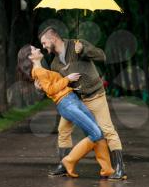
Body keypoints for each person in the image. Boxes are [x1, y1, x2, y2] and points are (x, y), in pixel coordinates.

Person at [38, 26, 127, 180]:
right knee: (63, 130)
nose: (43, 46)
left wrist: (84, 50)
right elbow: (55, 87)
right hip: (75, 102)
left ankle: (120, 168)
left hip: (95, 96)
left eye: (44, 43)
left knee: (107, 130)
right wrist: (40, 88)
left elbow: (102, 56)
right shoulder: (54, 64)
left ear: (53, 39)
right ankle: (64, 166)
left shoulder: (77, 45)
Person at [17, 44, 115, 178]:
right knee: (96, 133)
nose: (39, 49)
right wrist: (67, 79)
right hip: (66, 103)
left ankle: (107, 169)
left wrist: (65, 72)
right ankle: (69, 161)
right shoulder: (38, 72)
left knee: (97, 131)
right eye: (34, 49)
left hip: (72, 99)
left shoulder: (41, 70)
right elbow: (51, 90)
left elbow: (53, 82)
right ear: (30, 56)